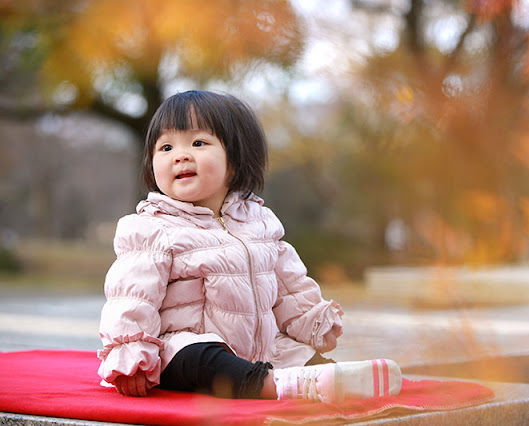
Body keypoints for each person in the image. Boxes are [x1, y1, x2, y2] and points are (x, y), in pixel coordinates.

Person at [97, 90, 402, 402]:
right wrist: (131, 350)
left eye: (198, 143)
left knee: (296, 352)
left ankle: (336, 380)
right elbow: (132, 298)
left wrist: (311, 321)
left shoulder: (259, 222)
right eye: (166, 147)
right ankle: (286, 387)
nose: (180, 155)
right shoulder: (153, 228)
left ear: (235, 159)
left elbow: (289, 287)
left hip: (260, 350)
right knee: (198, 356)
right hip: (184, 350)